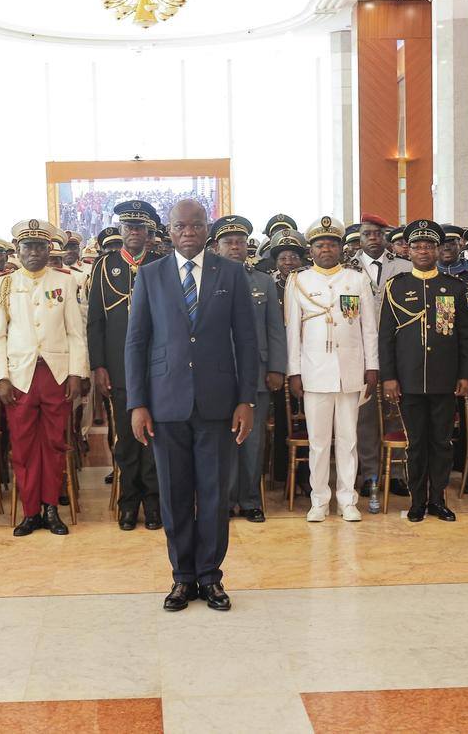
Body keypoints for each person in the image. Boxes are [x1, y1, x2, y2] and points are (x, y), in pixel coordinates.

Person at [126, 199, 257, 613]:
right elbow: (136, 342)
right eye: (180, 226)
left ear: (207, 229)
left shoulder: (231, 273)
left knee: (215, 495)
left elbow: (247, 341)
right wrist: (137, 403)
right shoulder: (150, 275)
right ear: (169, 230)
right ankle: (182, 577)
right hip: (166, 403)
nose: (188, 232)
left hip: (218, 402)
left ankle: (211, 576)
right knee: (174, 494)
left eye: (196, 225)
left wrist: (246, 399)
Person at [0, 220, 87, 537]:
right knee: (23, 446)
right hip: (20, 376)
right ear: (17, 251)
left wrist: (76, 372)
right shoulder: (4, 284)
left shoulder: (64, 282)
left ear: (49, 250)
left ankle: (50, 508)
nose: (34, 252)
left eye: (40, 246)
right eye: (28, 246)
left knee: (55, 444)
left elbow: (75, 332)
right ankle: (31, 511)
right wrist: (1, 378)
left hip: (56, 374)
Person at [284, 217, 377, 522]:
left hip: (350, 371)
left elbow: (368, 328)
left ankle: (347, 500)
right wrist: (294, 372)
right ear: (310, 250)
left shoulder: (357, 280)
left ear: (341, 248)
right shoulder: (299, 281)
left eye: (332, 244)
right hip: (314, 372)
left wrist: (372, 367)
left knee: (349, 440)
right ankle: (319, 500)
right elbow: (293, 332)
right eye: (320, 245)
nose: (326, 249)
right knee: (319, 442)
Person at [379, 219, 468, 522]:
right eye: (417, 246)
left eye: (428, 246)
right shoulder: (397, 287)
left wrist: (465, 374)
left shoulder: (454, 287)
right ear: (408, 250)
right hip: (408, 380)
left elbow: (464, 336)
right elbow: (386, 337)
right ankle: (417, 500)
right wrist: (389, 377)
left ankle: (438, 499)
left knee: (442, 443)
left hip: (445, 379)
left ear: (437, 250)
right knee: (416, 444)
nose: (423, 251)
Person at [88, 201, 163, 531]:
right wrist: (99, 365)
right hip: (118, 368)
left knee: (155, 437)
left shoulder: (161, 264)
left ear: (148, 233)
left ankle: (154, 503)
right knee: (126, 439)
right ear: (120, 230)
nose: (134, 231)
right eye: (129, 226)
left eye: (140, 227)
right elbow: (95, 321)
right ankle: (128, 503)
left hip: (157, 367)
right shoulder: (105, 265)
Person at [214, 215, 285, 523]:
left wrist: (276, 368)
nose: (235, 247)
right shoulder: (207, 280)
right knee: (223, 441)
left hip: (256, 372)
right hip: (218, 373)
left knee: (253, 442)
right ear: (216, 247)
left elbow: (274, 329)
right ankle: (226, 500)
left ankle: (251, 500)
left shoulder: (263, 281)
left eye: (240, 242)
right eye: (228, 242)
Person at [356, 213, 411, 499]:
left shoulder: (404, 266)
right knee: (364, 417)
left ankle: (397, 473)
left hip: (397, 351)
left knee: (396, 412)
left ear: (385, 237)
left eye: (378, 233)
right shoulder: (348, 270)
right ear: (359, 239)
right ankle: (370, 474)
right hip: (361, 353)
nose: (373, 238)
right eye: (367, 234)